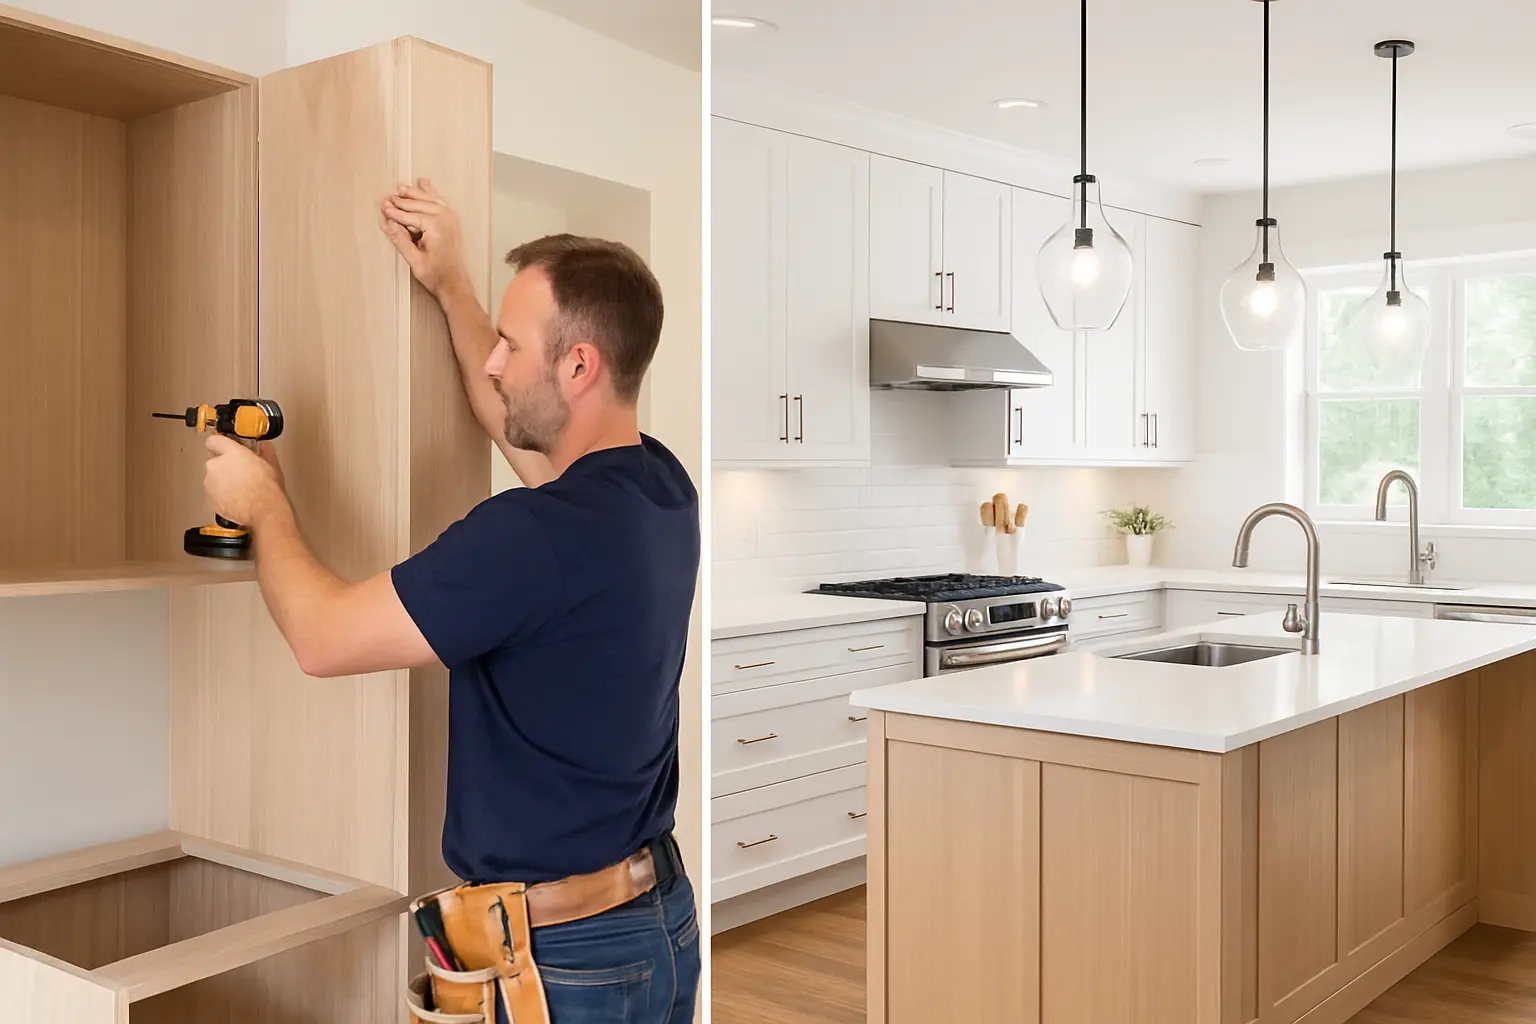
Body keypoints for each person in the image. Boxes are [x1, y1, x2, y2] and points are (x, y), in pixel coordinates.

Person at [199, 178, 700, 1024]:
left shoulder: (527, 538)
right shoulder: (655, 486)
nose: (495, 362)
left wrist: (263, 505)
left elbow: (323, 637)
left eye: (512, 343)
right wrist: (453, 286)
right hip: (651, 926)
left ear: (579, 365)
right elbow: (508, 418)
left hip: (560, 962)